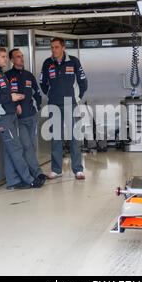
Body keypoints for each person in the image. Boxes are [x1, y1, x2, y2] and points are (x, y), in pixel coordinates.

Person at [0, 46, 45, 189]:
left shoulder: (0, 74)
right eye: (2, 57)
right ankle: (29, 180)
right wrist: (11, 97)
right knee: (16, 149)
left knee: (11, 149)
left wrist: (14, 100)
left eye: (5, 56)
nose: (5, 59)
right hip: (1, 117)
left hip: (10, 115)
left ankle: (13, 181)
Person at [40, 37, 88, 180]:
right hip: (54, 104)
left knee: (74, 137)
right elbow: (43, 83)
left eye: (56, 47)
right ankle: (56, 170)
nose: (53, 50)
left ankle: (78, 170)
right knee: (56, 138)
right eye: (52, 47)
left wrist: (76, 98)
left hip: (71, 103)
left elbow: (83, 81)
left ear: (63, 47)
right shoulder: (47, 63)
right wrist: (50, 94)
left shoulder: (73, 61)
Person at [5, 48, 46, 182]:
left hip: (31, 116)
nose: (21, 59)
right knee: (26, 146)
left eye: (22, 56)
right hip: (18, 120)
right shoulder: (7, 76)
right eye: (17, 57)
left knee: (32, 147)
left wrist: (37, 106)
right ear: (11, 60)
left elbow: (37, 93)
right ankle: (37, 173)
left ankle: (30, 173)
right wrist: (15, 106)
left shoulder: (29, 75)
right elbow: (5, 96)